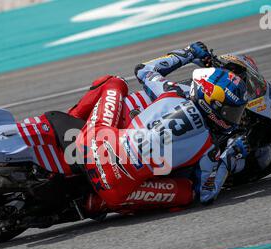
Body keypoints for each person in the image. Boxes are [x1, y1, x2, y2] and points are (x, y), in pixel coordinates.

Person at [68, 42, 251, 215]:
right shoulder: (210, 146)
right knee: (188, 194)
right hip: (116, 193)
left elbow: (143, 70)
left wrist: (188, 53)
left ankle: (71, 120)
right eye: (230, 111)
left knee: (114, 82)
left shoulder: (172, 91)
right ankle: (97, 204)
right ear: (213, 104)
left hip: (91, 145)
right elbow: (206, 193)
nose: (233, 118)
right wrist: (228, 158)